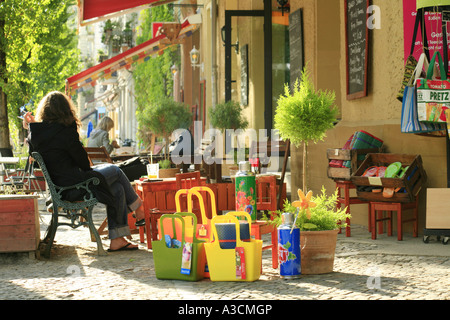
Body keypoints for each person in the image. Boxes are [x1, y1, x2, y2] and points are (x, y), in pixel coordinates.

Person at [23, 91, 144, 251]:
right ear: (66, 110)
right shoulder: (65, 132)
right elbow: (84, 164)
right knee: (115, 170)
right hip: (75, 186)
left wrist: (30, 126)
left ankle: (118, 239)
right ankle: (139, 208)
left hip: (62, 187)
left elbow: (33, 151)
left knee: (117, 188)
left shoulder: (38, 135)